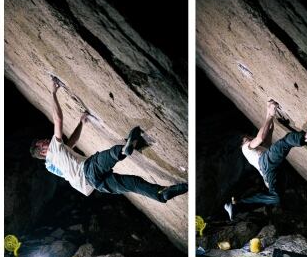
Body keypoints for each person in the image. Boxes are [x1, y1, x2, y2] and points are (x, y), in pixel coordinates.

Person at [30, 78, 188, 202]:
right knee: (106, 157)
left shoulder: (52, 164)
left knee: (133, 184)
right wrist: (53, 92)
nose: (46, 139)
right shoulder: (53, 150)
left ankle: (161, 194)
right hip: (89, 170)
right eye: (43, 142)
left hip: (95, 185)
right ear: (43, 150)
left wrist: (81, 122)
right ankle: (124, 150)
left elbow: (71, 143)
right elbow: (58, 120)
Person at [224, 99, 307, 221]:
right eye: (247, 137)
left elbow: (268, 131)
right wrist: (270, 114)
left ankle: (237, 207)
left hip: (269, 172)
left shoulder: (256, 149)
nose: (250, 137)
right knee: (285, 142)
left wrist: (269, 112)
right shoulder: (246, 147)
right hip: (266, 164)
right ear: (244, 139)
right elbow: (260, 137)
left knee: (277, 197)